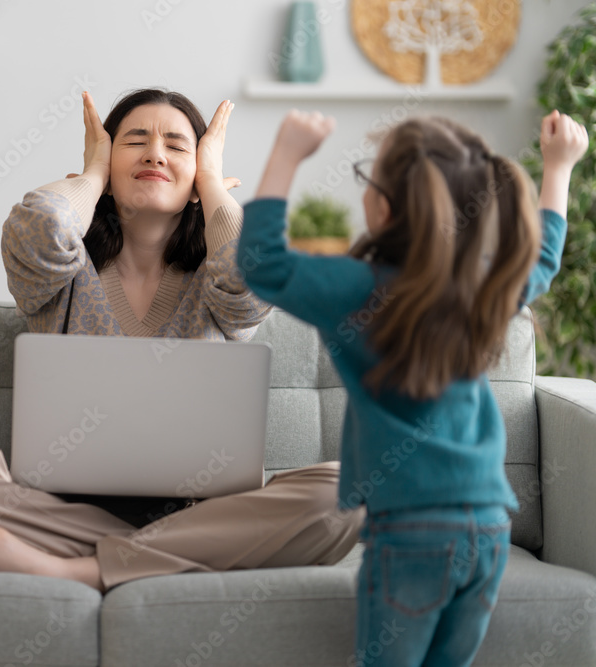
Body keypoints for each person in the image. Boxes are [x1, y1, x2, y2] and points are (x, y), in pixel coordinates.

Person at [0, 88, 365, 592]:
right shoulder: (59, 273)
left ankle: (80, 568)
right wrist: (92, 176)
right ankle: (169, 555)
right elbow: (43, 225)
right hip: (67, 510)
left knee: (346, 491)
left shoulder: (219, 280)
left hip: (200, 511)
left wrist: (210, 186)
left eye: (178, 146)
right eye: (134, 140)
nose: (155, 153)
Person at [237, 108, 589, 666]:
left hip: (411, 538)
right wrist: (560, 167)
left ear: (386, 206)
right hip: (489, 530)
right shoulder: (482, 284)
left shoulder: (355, 289)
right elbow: (542, 260)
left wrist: (286, 152)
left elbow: (262, 265)